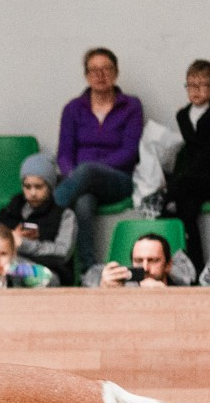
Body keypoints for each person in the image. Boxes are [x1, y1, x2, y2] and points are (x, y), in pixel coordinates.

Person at [55, 47, 144, 280]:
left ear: (116, 73)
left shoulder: (131, 106)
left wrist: (91, 170)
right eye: (93, 70)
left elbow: (130, 151)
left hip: (118, 180)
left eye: (106, 69)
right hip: (81, 182)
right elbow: (64, 154)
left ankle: (45, 213)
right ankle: (88, 271)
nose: (100, 75)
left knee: (87, 171)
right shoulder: (73, 109)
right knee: (83, 203)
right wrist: (74, 175)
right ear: (86, 76)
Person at [0, 153, 77, 286]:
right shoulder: (10, 211)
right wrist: (9, 240)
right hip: (11, 268)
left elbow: (62, 253)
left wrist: (22, 244)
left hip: (50, 273)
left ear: (50, 187)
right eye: (27, 187)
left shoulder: (65, 215)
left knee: (11, 266)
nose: (32, 193)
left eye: (39, 187)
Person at [166, 61, 210, 266]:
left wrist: (187, 176)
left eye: (202, 85)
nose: (195, 90)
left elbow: (209, 151)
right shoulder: (182, 115)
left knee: (177, 190)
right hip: (191, 180)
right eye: (191, 85)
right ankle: (194, 265)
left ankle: (163, 200)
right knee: (186, 212)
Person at [94, 232, 193, 288]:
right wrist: (104, 293)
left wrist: (166, 297)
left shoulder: (184, 291)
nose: (145, 268)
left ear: (168, 265)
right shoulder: (123, 286)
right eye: (138, 261)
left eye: (153, 260)